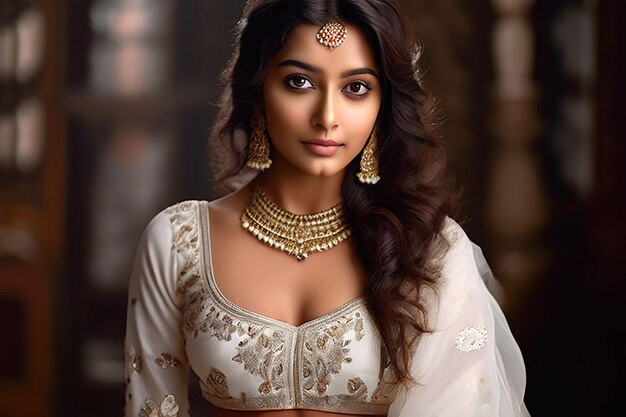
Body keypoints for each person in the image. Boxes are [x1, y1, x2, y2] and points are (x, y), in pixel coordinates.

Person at [123, 0, 530, 416]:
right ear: (259, 88)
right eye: (300, 82)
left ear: (382, 103)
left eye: (355, 88)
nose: (327, 117)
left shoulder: (430, 250)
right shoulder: (179, 243)